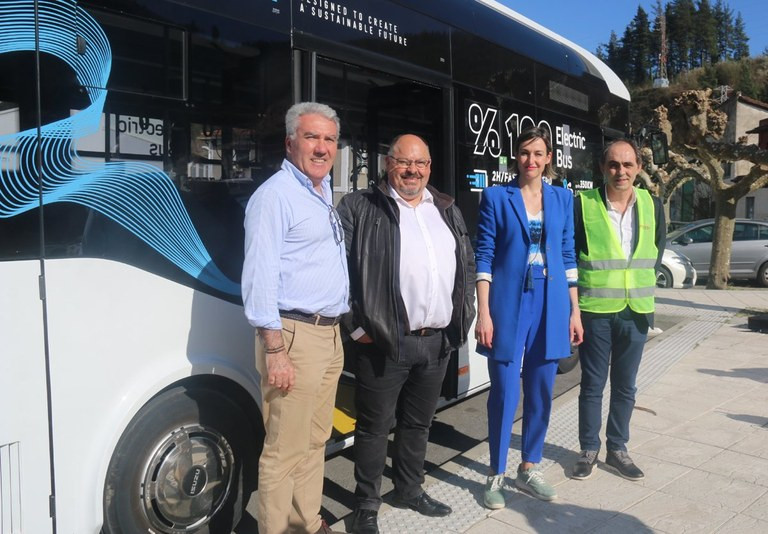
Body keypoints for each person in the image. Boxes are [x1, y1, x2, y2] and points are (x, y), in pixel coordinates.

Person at [337, 134, 475, 534]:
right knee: (374, 427)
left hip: (436, 341)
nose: (412, 170)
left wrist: (460, 321)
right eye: (403, 163)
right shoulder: (361, 207)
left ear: (429, 167)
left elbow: (465, 265)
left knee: (418, 424)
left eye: (420, 163)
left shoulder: (446, 207)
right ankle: (366, 505)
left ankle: (410, 489)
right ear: (388, 164)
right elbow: (337, 271)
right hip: (384, 340)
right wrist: (357, 326)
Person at [241, 102, 348, 534]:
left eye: (329, 139)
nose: (321, 148)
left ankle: (307, 521)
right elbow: (259, 277)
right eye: (311, 137)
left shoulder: (319, 192)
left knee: (315, 440)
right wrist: (276, 351)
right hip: (292, 337)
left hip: (328, 334)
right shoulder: (274, 196)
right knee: (283, 450)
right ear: (290, 143)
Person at [474, 126, 583, 506]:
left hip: (551, 300)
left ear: (548, 157)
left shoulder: (563, 198)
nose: (530, 161)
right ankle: (495, 474)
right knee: (504, 389)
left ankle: (529, 467)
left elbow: (568, 255)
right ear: (514, 157)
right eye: (524, 153)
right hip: (507, 300)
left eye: (538, 153)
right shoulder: (496, 197)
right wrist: (483, 311)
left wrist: (575, 310)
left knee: (540, 390)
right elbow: (484, 254)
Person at [571, 139, 665, 482]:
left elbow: (655, 252)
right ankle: (587, 450)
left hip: (636, 311)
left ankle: (618, 448)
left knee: (626, 387)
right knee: (592, 385)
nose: (620, 171)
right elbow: (572, 258)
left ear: (638, 167)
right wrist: (574, 311)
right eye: (613, 165)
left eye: (627, 165)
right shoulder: (583, 205)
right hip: (596, 310)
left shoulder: (652, 204)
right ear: (602, 168)